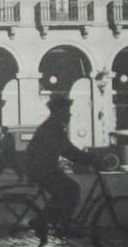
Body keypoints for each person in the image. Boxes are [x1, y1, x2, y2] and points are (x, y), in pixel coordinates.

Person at [25, 95, 94, 237]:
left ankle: (44, 221)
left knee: (61, 192)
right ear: (59, 111)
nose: (70, 114)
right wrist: (89, 159)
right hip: (42, 168)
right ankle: (63, 227)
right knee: (72, 189)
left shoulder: (52, 125)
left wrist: (86, 158)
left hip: (41, 167)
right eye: (67, 110)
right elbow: (68, 150)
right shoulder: (54, 127)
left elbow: (67, 149)